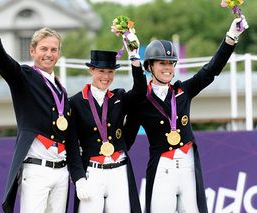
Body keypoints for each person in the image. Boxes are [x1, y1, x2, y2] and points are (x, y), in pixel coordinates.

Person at [125, 16, 249, 213]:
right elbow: (126, 140)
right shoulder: (140, 101)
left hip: (188, 168)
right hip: (162, 170)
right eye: (161, 63)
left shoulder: (183, 91)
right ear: (149, 66)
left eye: (171, 63)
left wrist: (231, 37)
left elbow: (210, 71)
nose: (167, 68)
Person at [0, 8, 71, 213]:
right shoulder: (24, 77)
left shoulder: (61, 89)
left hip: (62, 172)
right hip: (36, 170)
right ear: (32, 50)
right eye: (44, 49)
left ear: (59, 53)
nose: (49, 54)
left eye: (54, 50)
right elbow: (5, 64)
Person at [67, 33, 146, 213]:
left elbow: (141, 92)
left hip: (118, 170)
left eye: (110, 72)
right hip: (92, 172)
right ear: (91, 70)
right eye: (101, 71)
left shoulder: (119, 97)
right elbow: (71, 144)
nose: (106, 76)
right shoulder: (75, 103)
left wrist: (134, 57)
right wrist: (78, 178)